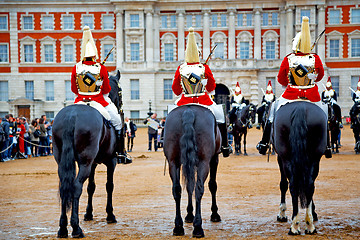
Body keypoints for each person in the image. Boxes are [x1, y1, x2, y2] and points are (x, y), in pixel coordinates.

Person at [256, 16, 331, 158]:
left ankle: (264, 143)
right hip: (312, 96)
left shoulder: (289, 58)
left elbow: (281, 79)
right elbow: (320, 76)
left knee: (272, 111)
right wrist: (311, 78)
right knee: (325, 113)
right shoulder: (315, 58)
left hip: (290, 95)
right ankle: (327, 145)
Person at [70, 26, 130, 164]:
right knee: (118, 122)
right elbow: (106, 89)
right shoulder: (100, 68)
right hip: (98, 101)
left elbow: (74, 89)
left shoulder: (76, 67)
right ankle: (120, 152)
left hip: (79, 101)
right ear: (94, 54)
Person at [171, 27, 231, 157]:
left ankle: (167, 142)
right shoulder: (204, 67)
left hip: (183, 102)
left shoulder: (180, 68)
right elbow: (211, 87)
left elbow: (176, 90)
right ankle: (225, 146)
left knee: (171, 116)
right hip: (204, 101)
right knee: (220, 116)